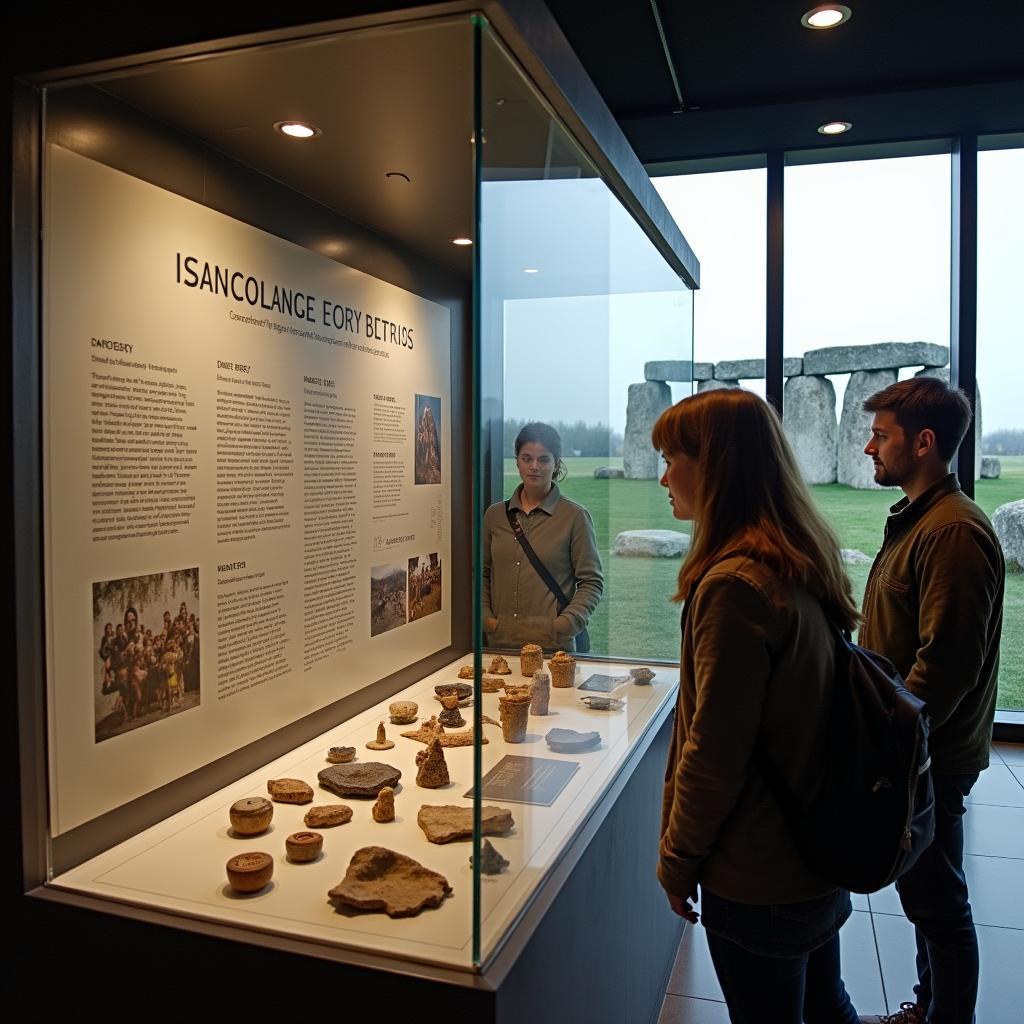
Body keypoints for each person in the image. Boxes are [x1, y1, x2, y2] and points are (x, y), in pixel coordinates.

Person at [652, 389, 861, 1024]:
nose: (663, 476)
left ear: (715, 466)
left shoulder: (733, 587)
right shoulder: (795, 559)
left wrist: (677, 858)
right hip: (811, 849)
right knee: (827, 1008)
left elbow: (715, 752)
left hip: (760, 868)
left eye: (673, 458)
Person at [857, 377, 1005, 1024]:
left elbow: (945, 666)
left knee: (938, 901)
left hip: (927, 755)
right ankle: (930, 1008)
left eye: (881, 435)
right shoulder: (924, 520)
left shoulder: (952, 534)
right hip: (916, 746)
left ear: (923, 443)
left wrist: (889, 745)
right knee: (926, 895)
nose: (868, 447)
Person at [482, 422, 603, 653]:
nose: (534, 466)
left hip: (554, 648)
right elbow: (482, 574)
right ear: (517, 461)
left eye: (543, 460)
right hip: (500, 645)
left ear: (556, 464)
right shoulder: (495, 515)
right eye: (526, 458)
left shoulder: (574, 516)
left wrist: (565, 624)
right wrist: (486, 619)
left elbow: (592, 582)